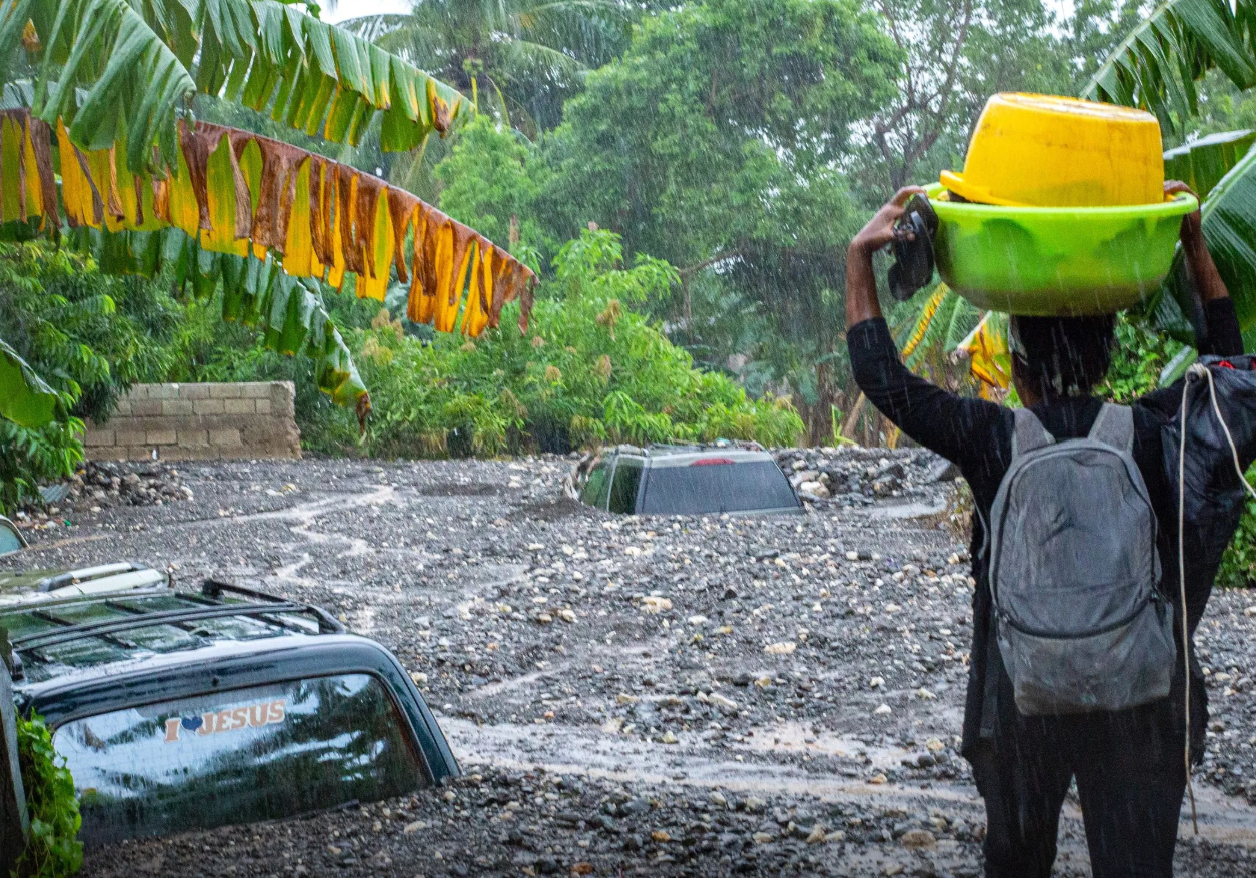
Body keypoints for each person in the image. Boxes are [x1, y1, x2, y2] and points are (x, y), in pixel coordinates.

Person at [845, 183, 1241, 878]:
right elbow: (1233, 376)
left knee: (1018, 864)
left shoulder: (991, 439)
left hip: (1019, 703)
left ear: (1019, 369)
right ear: (1108, 356)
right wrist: (1193, 248)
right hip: (1142, 703)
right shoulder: (1152, 435)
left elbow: (886, 382)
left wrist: (858, 260)